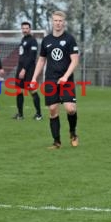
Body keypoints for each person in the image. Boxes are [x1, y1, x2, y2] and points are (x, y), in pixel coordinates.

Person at [30, 11, 80, 149]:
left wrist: (65, 76)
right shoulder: (46, 40)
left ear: (64, 22)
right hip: (51, 79)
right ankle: (57, 142)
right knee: (52, 109)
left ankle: (73, 133)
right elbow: (41, 60)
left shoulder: (69, 39)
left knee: (70, 109)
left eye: (60, 21)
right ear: (52, 22)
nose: (58, 23)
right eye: (55, 20)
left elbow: (75, 60)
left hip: (66, 80)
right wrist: (34, 78)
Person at [13, 21, 42, 120]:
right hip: (20, 68)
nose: (25, 30)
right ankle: (20, 115)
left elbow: (31, 57)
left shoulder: (33, 41)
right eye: (23, 28)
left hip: (29, 69)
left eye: (26, 28)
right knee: (18, 90)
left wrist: (24, 69)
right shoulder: (23, 39)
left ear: (30, 29)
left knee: (32, 90)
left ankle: (39, 114)